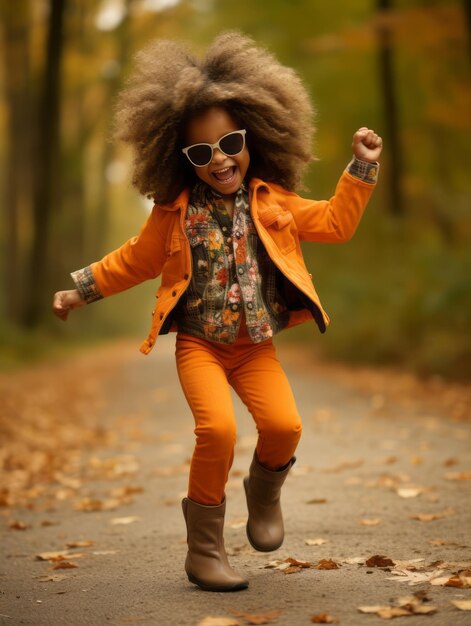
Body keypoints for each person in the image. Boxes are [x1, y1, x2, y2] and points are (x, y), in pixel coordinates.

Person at [52, 32, 382, 592]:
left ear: (253, 135)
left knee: (284, 426)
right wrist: (81, 289)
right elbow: (136, 261)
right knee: (218, 430)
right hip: (201, 345)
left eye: (229, 142)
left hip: (255, 347)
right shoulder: (173, 213)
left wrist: (361, 167)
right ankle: (204, 552)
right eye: (201, 152)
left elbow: (335, 222)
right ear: (180, 158)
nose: (220, 159)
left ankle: (263, 491)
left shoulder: (272, 201)